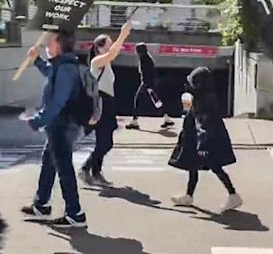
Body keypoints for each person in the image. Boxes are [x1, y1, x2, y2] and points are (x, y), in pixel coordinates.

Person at [21, 31, 87, 228]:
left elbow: (58, 101)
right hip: (59, 124)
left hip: (63, 124)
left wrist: (37, 121)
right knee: (49, 162)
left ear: (59, 46)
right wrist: (37, 60)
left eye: (50, 42)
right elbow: (50, 72)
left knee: (64, 167)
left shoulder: (66, 68)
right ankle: (41, 204)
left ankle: (75, 213)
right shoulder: (61, 65)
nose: (47, 45)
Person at [168, 67, 242, 212]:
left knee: (215, 167)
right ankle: (188, 195)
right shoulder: (202, 97)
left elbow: (204, 124)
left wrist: (202, 145)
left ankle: (233, 195)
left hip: (206, 142)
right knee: (192, 166)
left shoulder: (204, 101)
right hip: (198, 139)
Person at [79, 22, 131, 186]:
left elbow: (113, 52)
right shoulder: (96, 62)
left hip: (107, 103)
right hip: (100, 103)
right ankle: (86, 169)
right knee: (105, 142)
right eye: (109, 43)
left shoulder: (105, 63)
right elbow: (113, 52)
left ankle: (95, 172)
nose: (112, 46)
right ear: (100, 47)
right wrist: (123, 34)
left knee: (104, 141)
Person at [127, 42, 174, 130]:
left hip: (147, 84)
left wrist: (146, 86)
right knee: (156, 102)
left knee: (138, 101)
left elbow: (147, 74)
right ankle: (167, 119)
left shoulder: (145, 60)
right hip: (149, 85)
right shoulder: (147, 59)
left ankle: (134, 121)